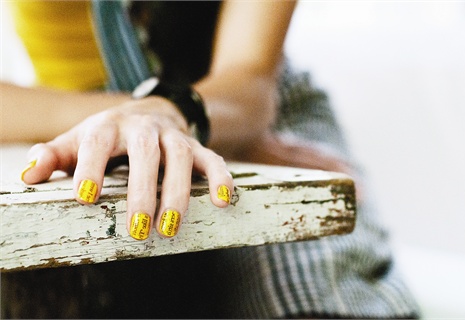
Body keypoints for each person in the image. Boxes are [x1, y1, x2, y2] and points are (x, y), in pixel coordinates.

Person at [0, 1, 420, 318]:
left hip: (240, 113)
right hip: (77, 125)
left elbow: (249, 76)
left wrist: (182, 113)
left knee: (300, 289)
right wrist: (139, 117)